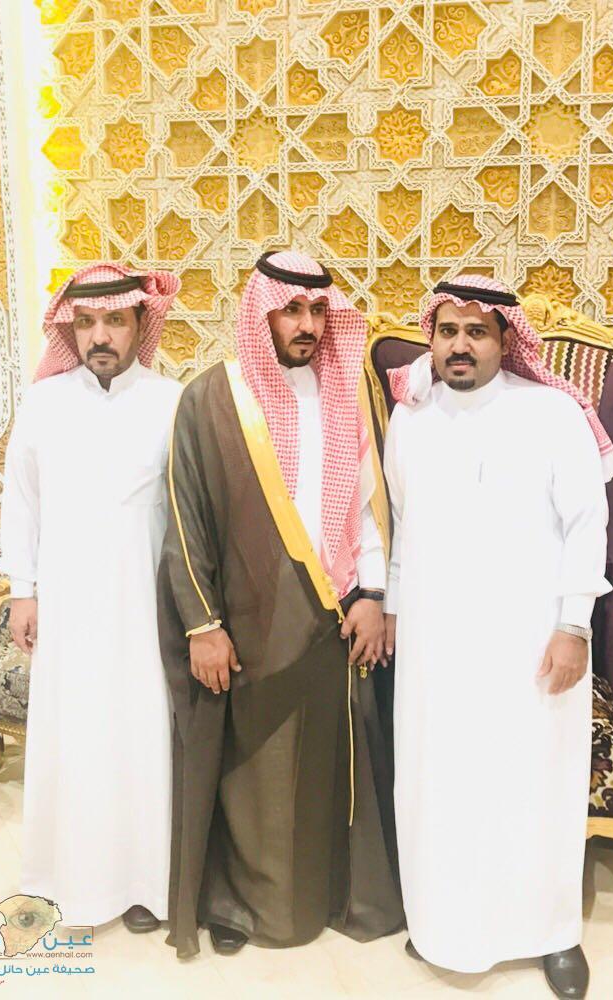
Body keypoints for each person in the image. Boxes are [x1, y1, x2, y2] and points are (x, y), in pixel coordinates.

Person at [158, 250, 403, 959]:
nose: (307, 325)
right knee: (253, 772)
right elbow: (185, 521)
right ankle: (243, 905)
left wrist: (374, 595)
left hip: (336, 616)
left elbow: (372, 509)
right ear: (261, 313)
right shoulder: (210, 399)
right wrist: (203, 625)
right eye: (291, 309)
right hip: (246, 622)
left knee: (329, 766)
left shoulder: (348, 393)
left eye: (318, 310)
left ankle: (336, 897)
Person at [383, 274, 613, 999]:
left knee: (533, 782)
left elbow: (588, 525)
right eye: (447, 331)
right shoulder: (409, 419)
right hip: (435, 643)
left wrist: (573, 626)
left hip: (529, 641)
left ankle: (553, 934)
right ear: (432, 338)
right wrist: (395, 611)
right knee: (441, 782)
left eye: (477, 332)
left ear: (505, 339)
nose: (460, 345)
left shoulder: (551, 413)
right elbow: (402, 526)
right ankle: (443, 922)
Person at [0, 263, 182, 932]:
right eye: (85, 322)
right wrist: (23, 592)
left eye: (114, 320)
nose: (99, 335)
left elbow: (188, 517)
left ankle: (142, 885)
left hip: (142, 610)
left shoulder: (171, 401)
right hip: (68, 606)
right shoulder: (44, 403)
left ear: (140, 323)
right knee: (74, 739)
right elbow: (21, 502)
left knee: (138, 739)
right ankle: (68, 881)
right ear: (69, 329)